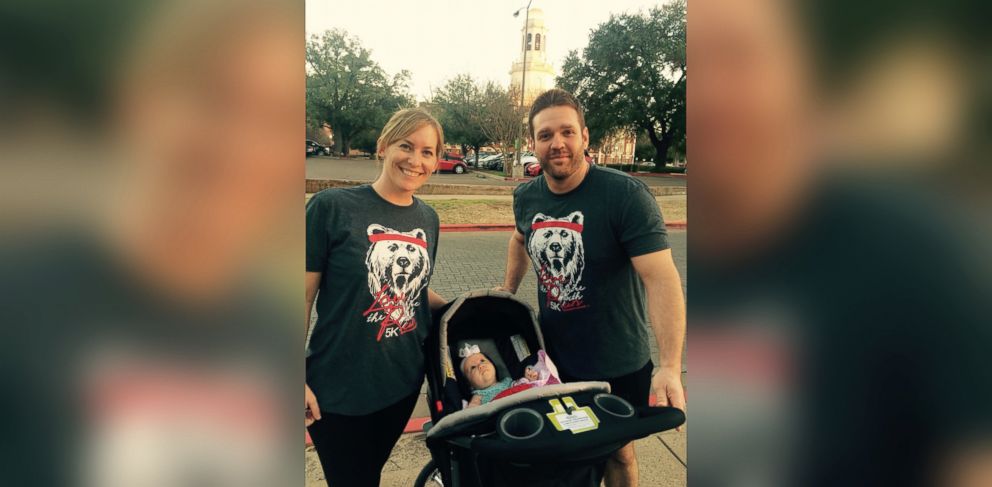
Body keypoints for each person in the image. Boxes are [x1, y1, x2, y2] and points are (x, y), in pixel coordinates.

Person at [499, 88, 686, 487]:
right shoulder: (526, 196)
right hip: (554, 363)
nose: (557, 143)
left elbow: (662, 278)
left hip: (619, 361)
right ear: (533, 143)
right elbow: (519, 240)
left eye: (567, 132)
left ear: (585, 137)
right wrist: (506, 292)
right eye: (545, 135)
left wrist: (670, 365)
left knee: (619, 451)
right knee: (567, 455)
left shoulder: (625, 196)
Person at [305, 108, 448, 487]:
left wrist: (467, 306)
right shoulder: (331, 208)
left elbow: (414, 292)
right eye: (406, 145)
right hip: (337, 389)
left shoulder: (428, 219)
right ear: (384, 145)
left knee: (370, 473)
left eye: (428, 152)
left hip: (401, 383)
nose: (415, 160)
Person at [459, 344, 543, 408]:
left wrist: (528, 379)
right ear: (469, 384)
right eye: (473, 367)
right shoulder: (478, 396)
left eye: (482, 360)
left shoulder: (507, 381)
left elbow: (519, 387)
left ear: (493, 365)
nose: (481, 366)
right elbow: (472, 413)